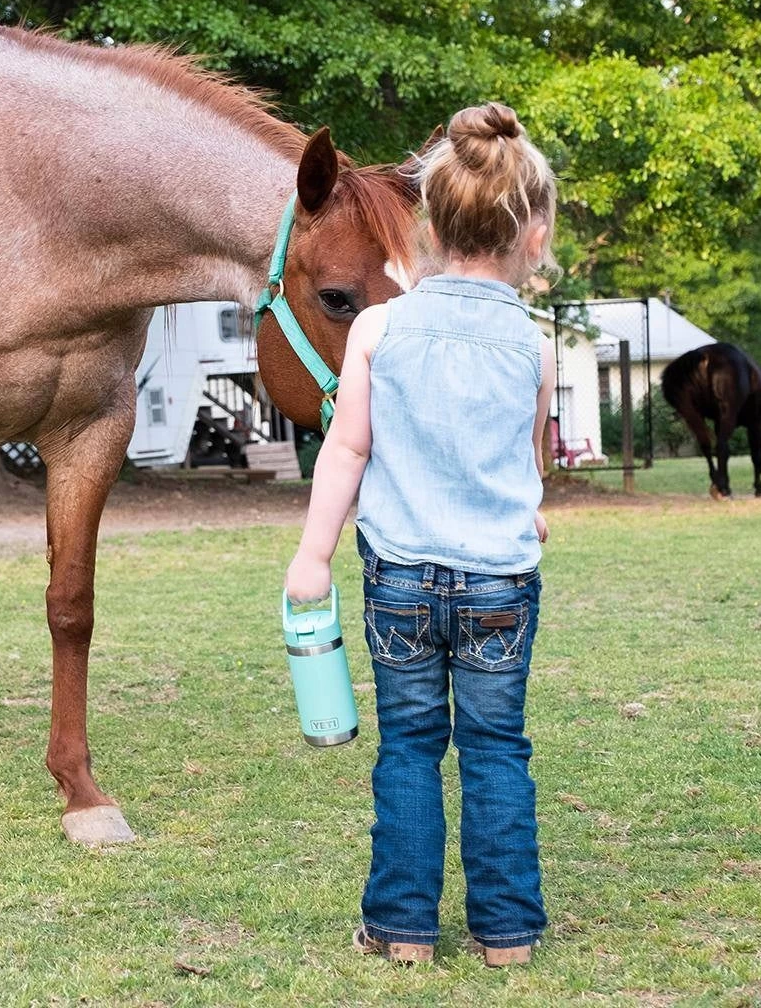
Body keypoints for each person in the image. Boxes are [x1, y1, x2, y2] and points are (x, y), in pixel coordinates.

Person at [285, 102, 557, 967]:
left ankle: (402, 929)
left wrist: (312, 554)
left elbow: (349, 450)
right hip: (501, 585)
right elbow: (527, 454)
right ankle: (507, 932)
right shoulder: (533, 344)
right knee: (496, 748)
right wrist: (527, 505)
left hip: (400, 577)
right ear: (535, 236)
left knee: (409, 747)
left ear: (426, 226)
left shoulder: (376, 327)